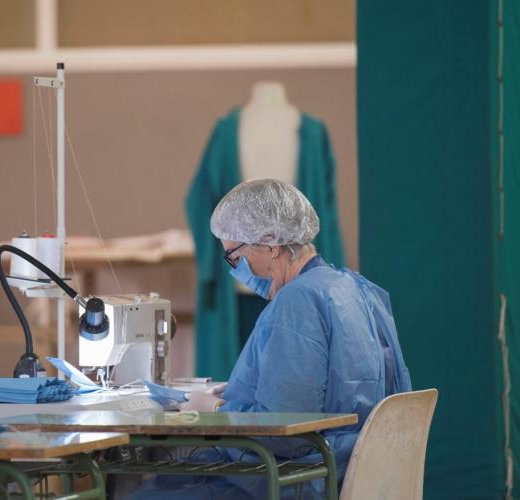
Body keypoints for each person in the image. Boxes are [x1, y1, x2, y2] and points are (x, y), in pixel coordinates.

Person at [133, 179, 411, 499]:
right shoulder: (357, 288)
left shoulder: (297, 301)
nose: (236, 270)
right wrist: (246, 392)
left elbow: (282, 432)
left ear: (270, 244)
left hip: (299, 481)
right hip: (355, 471)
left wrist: (217, 408)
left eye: (234, 257)